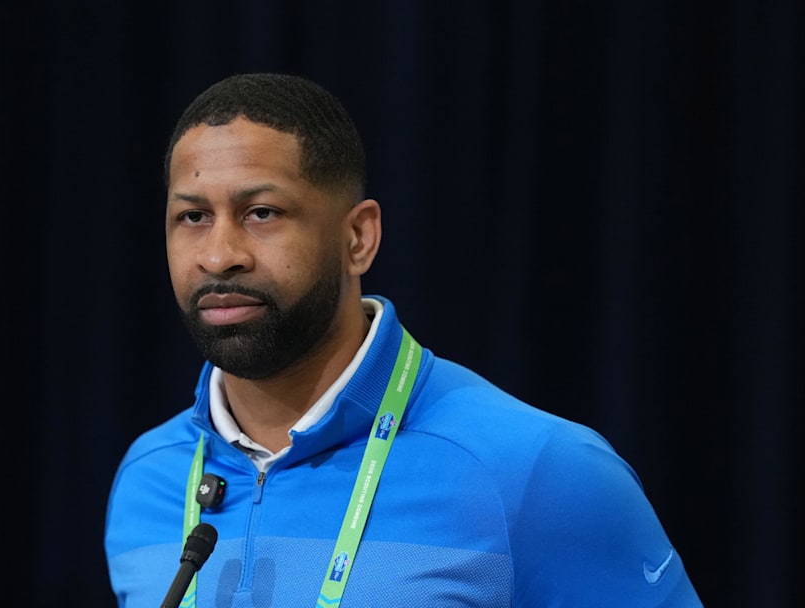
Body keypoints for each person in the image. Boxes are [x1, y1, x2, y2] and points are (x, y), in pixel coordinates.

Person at [104, 73, 702, 607]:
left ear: (359, 238)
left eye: (261, 213)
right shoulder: (148, 476)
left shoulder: (538, 472)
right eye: (192, 217)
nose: (219, 255)